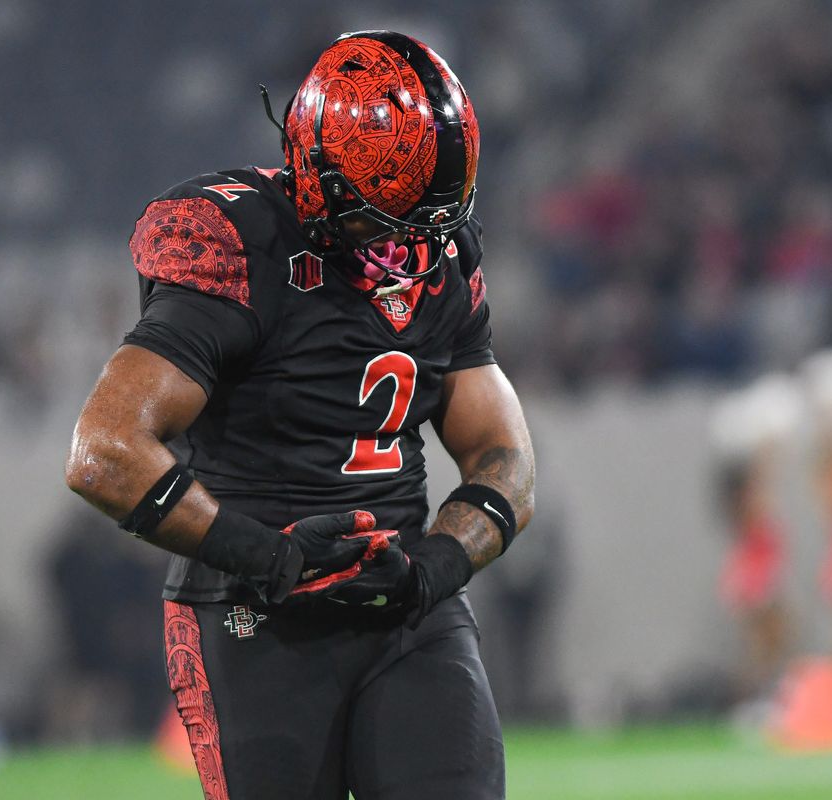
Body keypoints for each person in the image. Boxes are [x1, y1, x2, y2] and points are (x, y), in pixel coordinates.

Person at [66, 30, 534, 800]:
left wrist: (435, 567)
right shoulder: (239, 244)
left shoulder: (441, 255)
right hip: (253, 613)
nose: (407, 248)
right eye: (385, 218)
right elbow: (104, 451)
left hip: (404, 610)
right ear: (319, 176)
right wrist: (270, 556)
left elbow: (504, 459)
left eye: (425, 220)